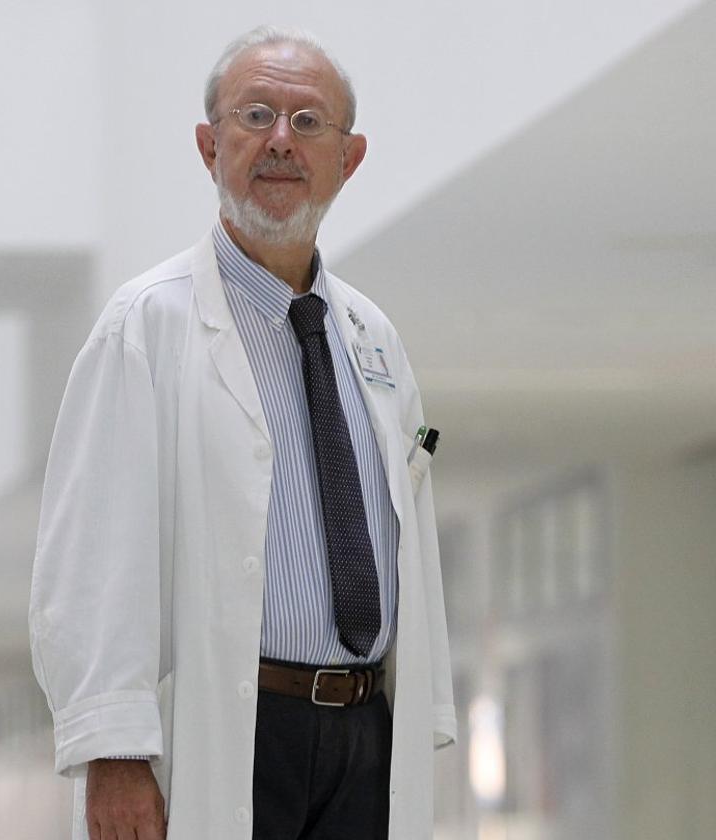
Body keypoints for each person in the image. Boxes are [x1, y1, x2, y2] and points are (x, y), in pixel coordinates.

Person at [29, 26, 455, 840]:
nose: (279, 142)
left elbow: (408, 539)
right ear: (209, 144)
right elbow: (88, 555)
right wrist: (112, 753)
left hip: (367, 731)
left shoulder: (374, 339)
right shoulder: (144, 326)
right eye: (255, 115)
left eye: (307, 123)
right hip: (236, 727)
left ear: (349, 157)